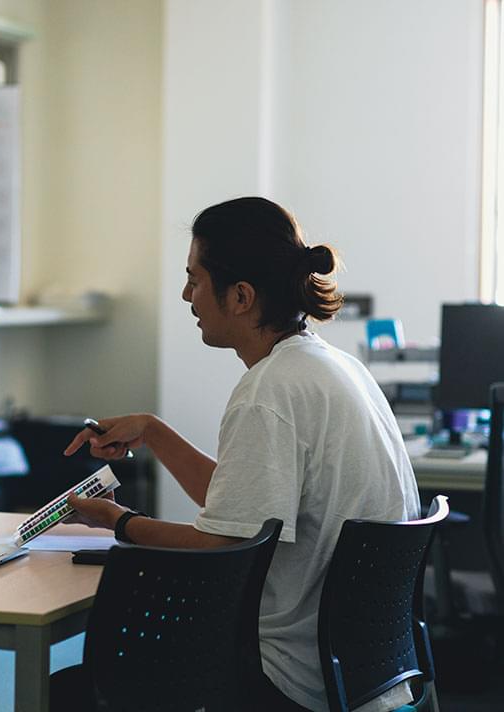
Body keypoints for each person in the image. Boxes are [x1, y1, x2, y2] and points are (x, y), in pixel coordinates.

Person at [60, 197, 421, 712]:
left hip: (288, 677)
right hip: (365, 673)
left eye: (194, 280)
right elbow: (245, 507)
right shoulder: (334, 368)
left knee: (74, 690)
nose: (186, 295)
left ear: (241, 296)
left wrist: (119, 521)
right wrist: (154, 433)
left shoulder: (270, 391)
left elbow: (222, 546)